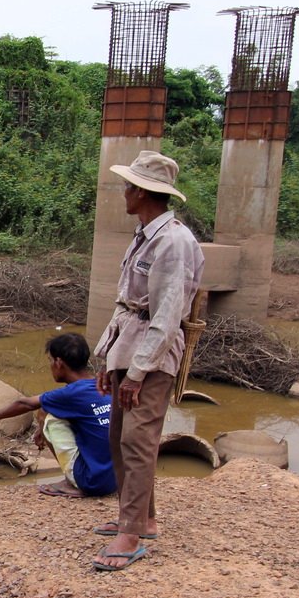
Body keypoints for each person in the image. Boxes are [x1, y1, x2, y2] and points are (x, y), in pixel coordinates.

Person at [91, 151, 204, 571]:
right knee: (122, 436)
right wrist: (110, 360)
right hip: (130, 344)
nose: (124, 193)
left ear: (141, 191)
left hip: (152, 357)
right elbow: (128, 307)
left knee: (137, 442)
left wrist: (138, 372)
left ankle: (130, 535)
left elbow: (167, 314)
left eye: (128, 186)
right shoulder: (145, 235)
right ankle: (142, 518)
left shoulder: (174, 243)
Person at [0, 333, 116, 499]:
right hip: (119, 479)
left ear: (59, 363)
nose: (51, 365)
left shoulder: (71, 393)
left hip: (93, 482)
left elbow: (26, 403)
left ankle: (72, 481)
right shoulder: (102, 386)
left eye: (50, 361)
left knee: (47, 413)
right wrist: (40, 429)